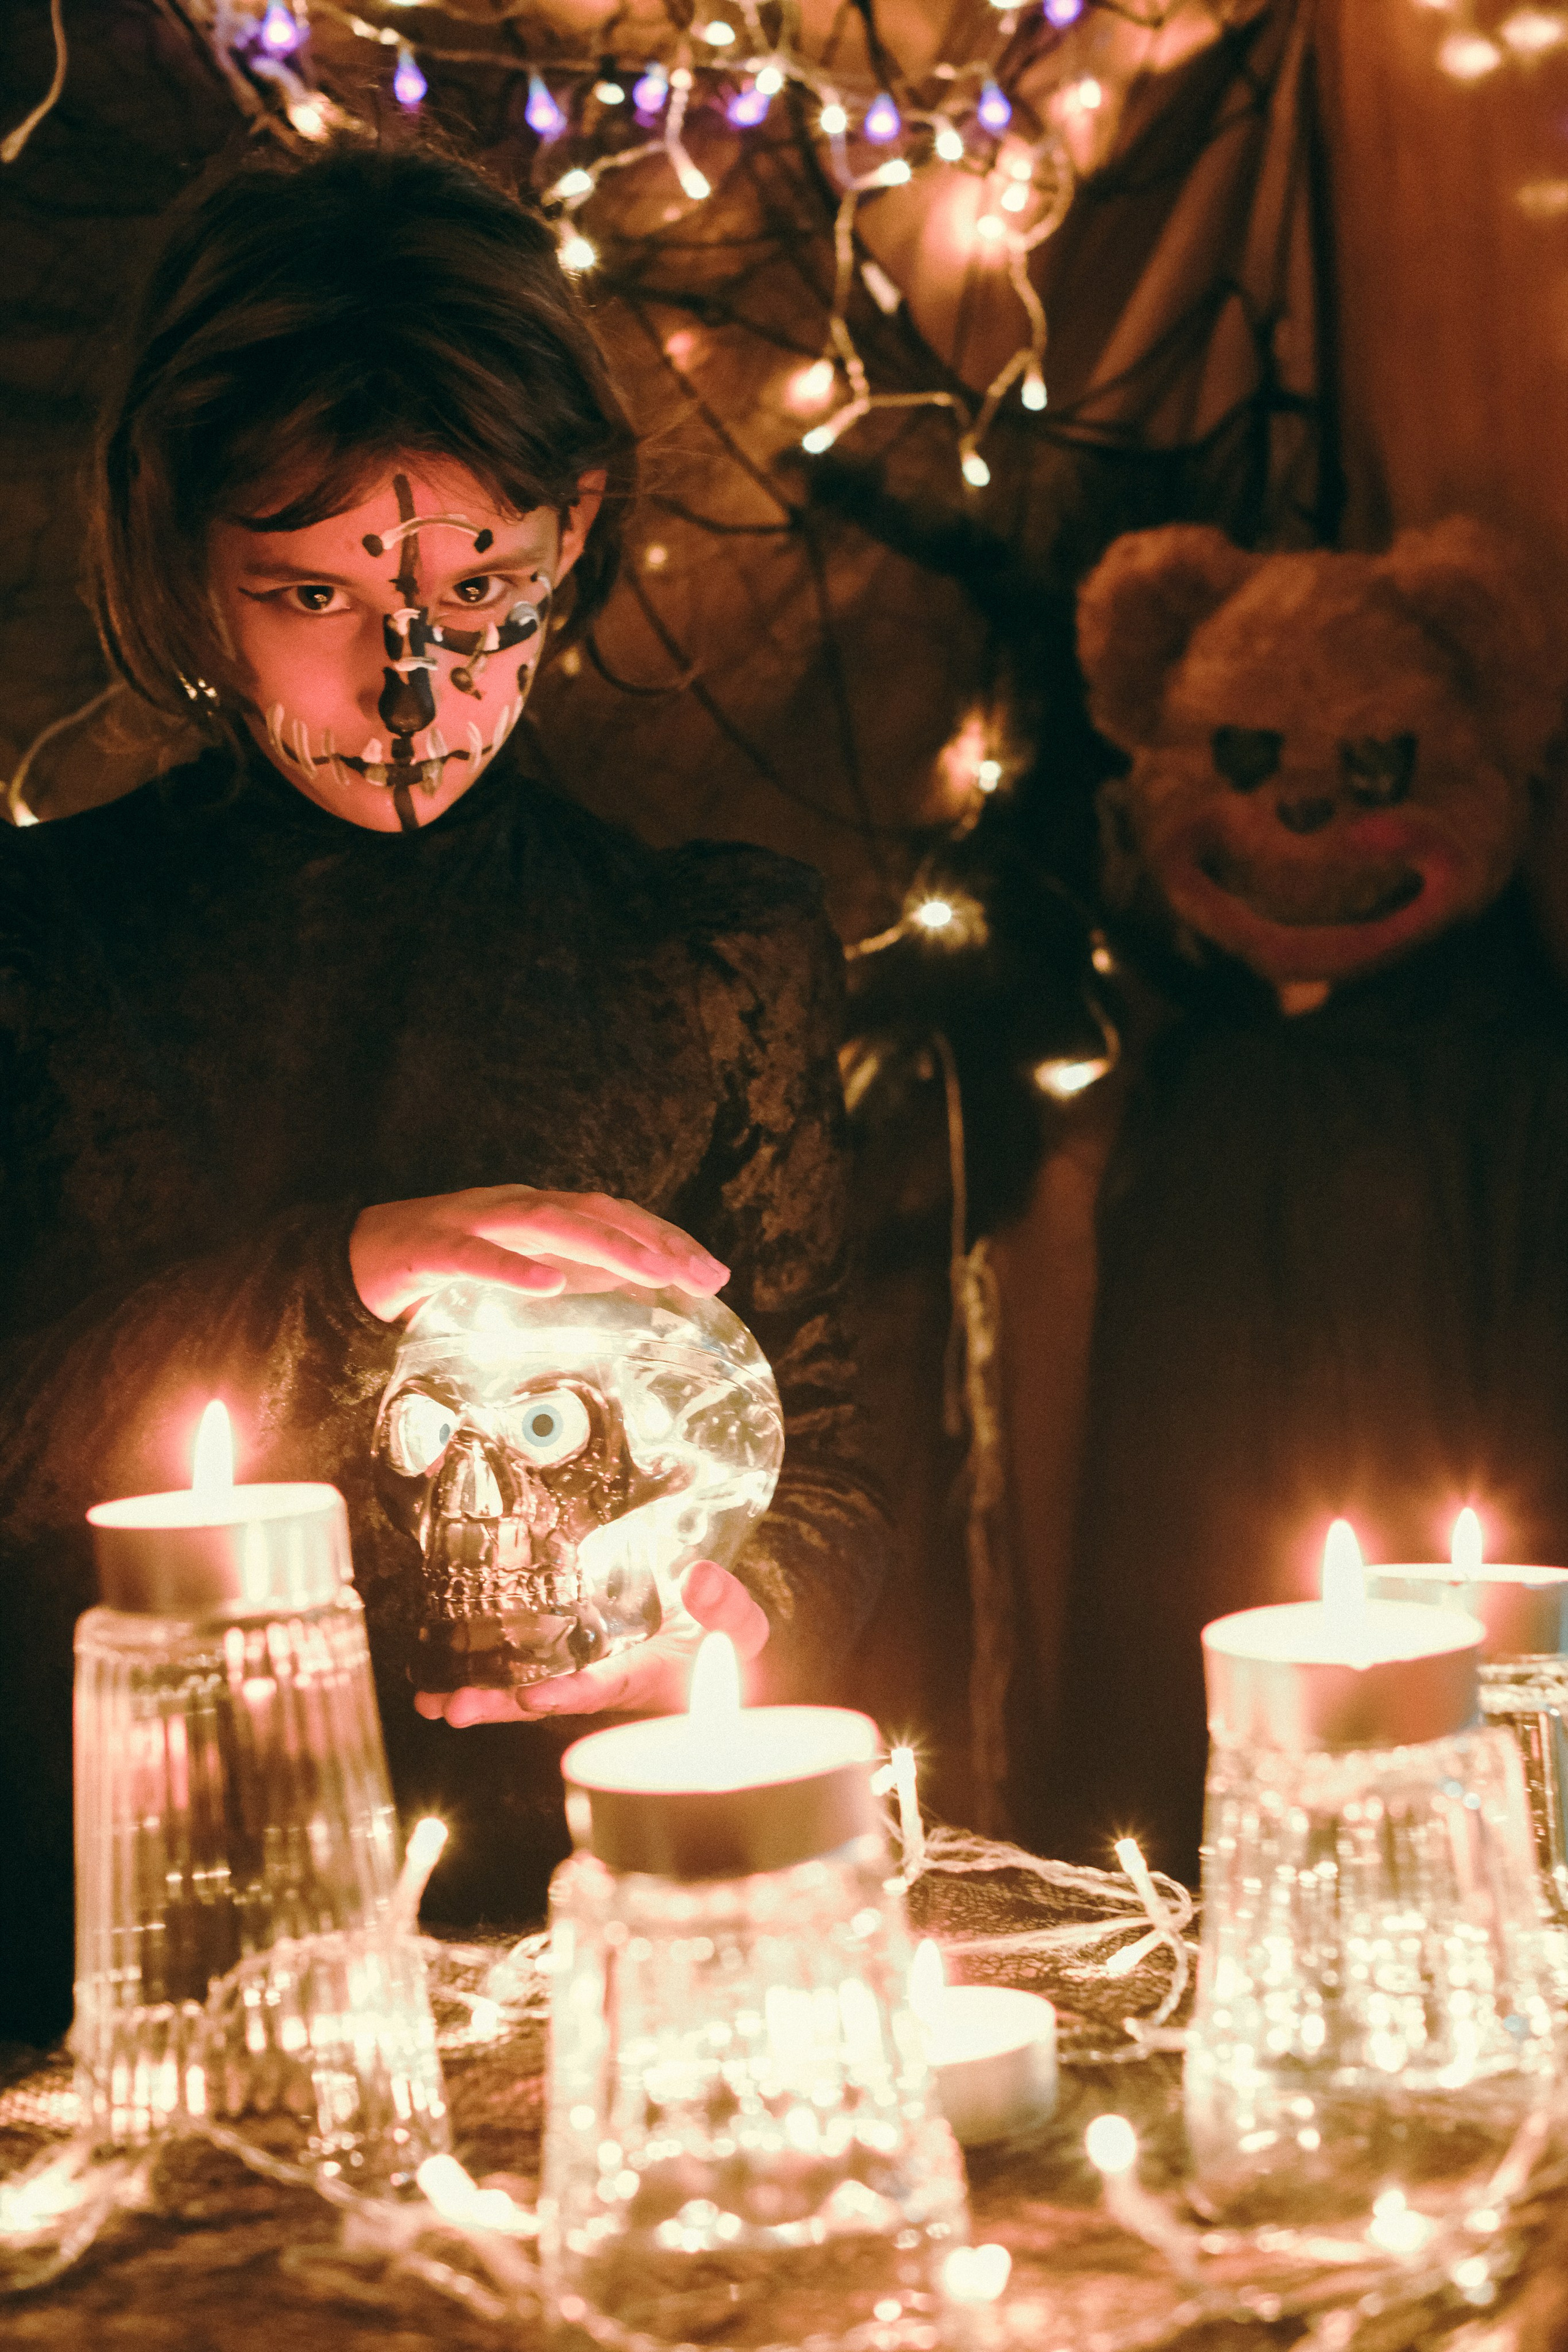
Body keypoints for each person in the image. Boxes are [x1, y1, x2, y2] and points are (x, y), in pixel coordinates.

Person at [0, 137, 888, 2044]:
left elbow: (819, 1444)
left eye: (481, 582)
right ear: (179, 558)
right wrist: (336, 1275)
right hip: (120, 1966)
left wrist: (741, 1619)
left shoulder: (715, 955)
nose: (415, 691)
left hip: (593, 1956)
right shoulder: (37, 955)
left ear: (579, 523)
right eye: (314, 597)